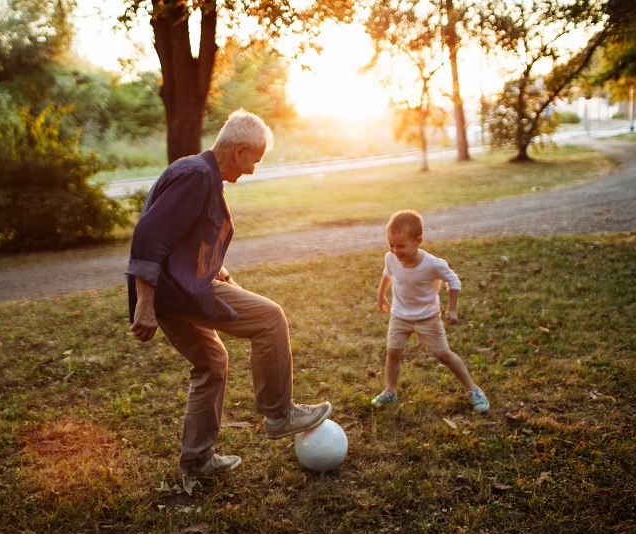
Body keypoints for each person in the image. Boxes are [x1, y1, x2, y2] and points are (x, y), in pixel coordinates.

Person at [126, 109, 332, 478]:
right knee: (270, 318)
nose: (252, 170)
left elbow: (182, 237)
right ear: (239, 150)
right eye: (254, 160)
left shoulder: (201, 174)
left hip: (175, 292)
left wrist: (214, 268)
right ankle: (279, 414)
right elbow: (149, 238)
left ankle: (197, 461)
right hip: (178, 294)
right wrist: (144, 305)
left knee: (211, 364)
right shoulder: (196, 175)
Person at [372, 209, 489, 413]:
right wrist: (381, 294)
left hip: (427, 318)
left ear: (418, 241)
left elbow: (454, 281)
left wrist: (451, 308)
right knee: (393, 353)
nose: (395, 251)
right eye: (391, 245)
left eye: (401, 246)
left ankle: (473, 389)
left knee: (443, 354)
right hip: (400, 315)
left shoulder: (433, 264)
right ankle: (390, 391)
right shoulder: (391, 258)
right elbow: (388, 272)